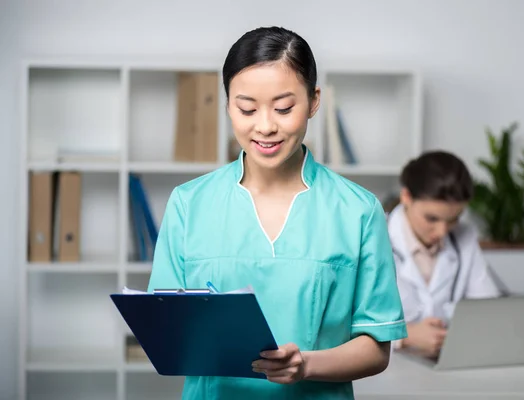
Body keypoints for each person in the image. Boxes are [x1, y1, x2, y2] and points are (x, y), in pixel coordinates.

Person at [147, 26, 407, 399]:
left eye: (284, 108)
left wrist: (307, 365)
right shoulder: (189, 203)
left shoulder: (359, 211)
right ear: (227, 105)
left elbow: (377, 346)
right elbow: (168, 330)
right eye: (247, 108)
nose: (266, 126)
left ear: (314, 101)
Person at [387, 151, 499, 358]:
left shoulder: (464, 237)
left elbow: (488, 310)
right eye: (431, 218)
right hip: (387, 368)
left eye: (454, 219)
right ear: (406, 197)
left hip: (446, 363)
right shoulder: (372, 238)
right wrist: (404, 336)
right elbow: (342, 324)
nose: (442, 232)